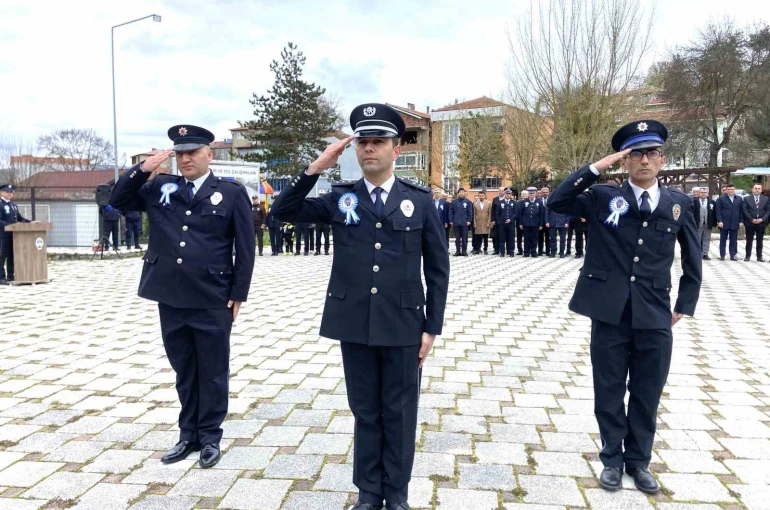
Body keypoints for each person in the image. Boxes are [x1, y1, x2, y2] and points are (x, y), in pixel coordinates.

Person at [270, 103, 449, 510]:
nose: (370, 149)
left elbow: (438, 268)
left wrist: (431, 327)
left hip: (404, 325)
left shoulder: (418, 201)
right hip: (354, 322)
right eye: (363, 142)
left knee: (400, 413)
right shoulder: (340, 198)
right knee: (366, 411)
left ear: (396, 149)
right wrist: (316, 167)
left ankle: (397, 494)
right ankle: (369, 492)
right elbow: (281, 213)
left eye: (378, 142)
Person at [548, 119, 701, 495]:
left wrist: (685, 303)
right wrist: (597, 167)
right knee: (610, 389)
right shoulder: (602, 196)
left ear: (662, 160)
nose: (644, 161)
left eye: (651, 154)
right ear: (625, 161)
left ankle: (639, 461)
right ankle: (612, 459)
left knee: (648, 391)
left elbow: (694, 257)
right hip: (610, 311)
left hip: (654, 313)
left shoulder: (679, 204)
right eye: (636, 154)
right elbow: (558, 201)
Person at [109, 124, 255, 469]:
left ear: (209, 154)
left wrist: (239, 294)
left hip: (212, 296)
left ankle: (209, 437)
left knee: (214, 370)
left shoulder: (231, 192)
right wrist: (144, 168)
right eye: (180, 153)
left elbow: (245, 249)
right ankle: (187, 434)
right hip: (170, 295)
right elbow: (118, 199)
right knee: (184, 368)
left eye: (192, 152)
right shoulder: (162, 186)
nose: (186, 158)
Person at [0, 184, 31, 284]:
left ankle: (10, 276)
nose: (10, 194)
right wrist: (10, 225)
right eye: (7, 192)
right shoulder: (0, 204)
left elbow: (19, 218)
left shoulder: (13, 205)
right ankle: (1, 277)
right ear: (1, 192)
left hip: (13, 234)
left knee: (11, 255)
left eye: (11, 192)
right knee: (2, 255)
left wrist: (30, 222)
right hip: (3, 234)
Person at [741, 183, 769, 262]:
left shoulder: (766, 199)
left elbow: (768, 211)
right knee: (749, 240)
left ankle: (759, 257)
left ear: (761, 190)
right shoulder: (746, 199)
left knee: (760, 240)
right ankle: (747, 256)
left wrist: (762, 219)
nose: (757, 190)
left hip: (761, 223)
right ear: (752, 189)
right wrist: (751, 219)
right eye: (755, 188)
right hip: (750, 223)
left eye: (759, 188)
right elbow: (745, 210)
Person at [715, 183, 743, 261]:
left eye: (732, 189)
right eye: (729, 189)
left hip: (735, 222)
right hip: (724, 222)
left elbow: (741, 211)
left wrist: (741, 221)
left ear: (734, 190)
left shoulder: (739, 199)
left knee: (733, 240)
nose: (730, 191)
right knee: (723, 239)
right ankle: (722, 255)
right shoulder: (721, 199)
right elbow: (718, 211)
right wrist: (719, 221)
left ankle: (733, 255)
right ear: (726, 190)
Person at [518, 186, 544, 257]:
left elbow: (542, 214)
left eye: (533, 193)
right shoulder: (524, 202)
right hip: (526, 224)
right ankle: (526, 252)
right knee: (526, 239)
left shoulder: (539, 202)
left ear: (535, 193)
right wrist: (520, 223)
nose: (531, 195)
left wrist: (541, 224)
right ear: (528, 194)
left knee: (535, 238)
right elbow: (521, 213)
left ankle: (533, 252)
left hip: (536, 224)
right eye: (530, 193)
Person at [693, 187, 716, 260]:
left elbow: (715, 213)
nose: (703, 194)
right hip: (697, 224)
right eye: (702, 192)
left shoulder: (712, 202)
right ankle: (697, 254)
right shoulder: (694, 202)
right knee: (697, 239)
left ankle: (705, 254)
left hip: (707, 224)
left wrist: (714, 223)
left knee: (706, 239)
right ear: (699, 193)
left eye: (705, 192)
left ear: (707, 193)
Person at [448, 187, 472, 256]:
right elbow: (451, 212)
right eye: (460, 192)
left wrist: (469, 220)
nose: (461, 193)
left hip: (465, 223)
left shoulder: (468, 202)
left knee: (464, 238)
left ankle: (464, 251)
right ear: (458, 193)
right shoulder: (454, 202)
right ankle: (458, 251)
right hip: (456, 223)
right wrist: (451, 220)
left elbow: (470, 212)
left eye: (462, 192)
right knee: (457, 239)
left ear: (465, 193)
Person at [496, 188, 517, 257]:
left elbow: (516, 213)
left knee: (511, 238)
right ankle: (502, 252)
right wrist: (499, 221)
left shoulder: (514, 203)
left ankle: (511, 252)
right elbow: (497, 214)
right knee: (502, 238)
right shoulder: (500, 203)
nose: (508, 195)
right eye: (507, 193)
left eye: (509, 193)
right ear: (504, 194)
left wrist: (511, 220)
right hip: (502, 224)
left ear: (511, 194)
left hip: (511, 224)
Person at [490, 187, 505, 254]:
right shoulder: (495, 199)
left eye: (503, 191)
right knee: (495, 236)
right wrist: (492, 220)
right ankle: (496, 249)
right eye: (500, 191)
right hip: (496, 221)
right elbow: (492, 211)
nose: (501, 192)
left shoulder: (507, 199)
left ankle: (503, 250)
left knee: (503, 236)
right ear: (498, 191)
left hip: (504, 221)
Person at [538, 187, 551, 256]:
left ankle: (548, 251)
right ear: (541, 193)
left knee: (548, 238)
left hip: (548, 222)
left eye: (546, 192)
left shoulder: (551, 199)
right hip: (540, 223)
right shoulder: (538, 200)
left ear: (548, 192)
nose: (545, 193)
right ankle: (540, 251)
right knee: (540, 238)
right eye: (544, 192)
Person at [515, 190, 528, 255]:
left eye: (525, 194)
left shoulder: (530, 202)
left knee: (527, 237)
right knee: (519, 237)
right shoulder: (518, 203)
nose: (524, 195)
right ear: (521, 195)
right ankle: (520, 250)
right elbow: (517, 213)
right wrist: (520, 223)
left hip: (527, 223)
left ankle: (527, 249)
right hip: (519, 222)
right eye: (523, 194)